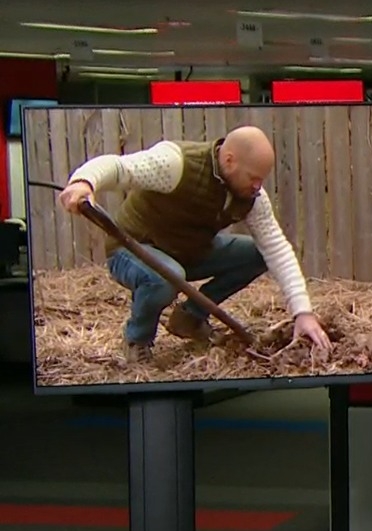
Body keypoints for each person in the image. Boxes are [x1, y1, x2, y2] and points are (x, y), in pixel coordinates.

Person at [57, 125, 332, 363]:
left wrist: (303, 312)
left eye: (261, 179)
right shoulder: (176, 164)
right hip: (134, 249)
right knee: (166, 278)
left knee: (257, 254)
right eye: (253, 178)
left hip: (188, 251)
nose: (258, 186)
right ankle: (137, 340)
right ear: (230, 160)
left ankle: (190, 317)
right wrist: (84, 182)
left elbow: (277, 249)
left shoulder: (252, 198)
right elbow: (119, 167)